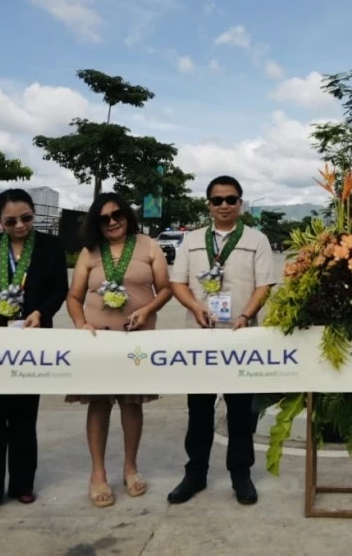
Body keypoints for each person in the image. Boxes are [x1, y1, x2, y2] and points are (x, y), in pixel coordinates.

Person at [167, 176, 278, 506]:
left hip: (240, 339)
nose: (225, 205)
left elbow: (264, 285)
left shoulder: (256, 239)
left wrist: (245, 315)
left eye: (231, 199)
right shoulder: (192, 240)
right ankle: (195, 473)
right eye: (218, 200)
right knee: (198, 409)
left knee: (241, 411)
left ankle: (240, 475)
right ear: (209, 205)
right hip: (200, 337)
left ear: (240, 203)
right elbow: (179, 283)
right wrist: (196, 306)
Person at [0, 188, 69, 515]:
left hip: (31, 338)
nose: (20, 225)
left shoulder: (50, 247)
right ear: (0, 221)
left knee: (24, 416)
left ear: (34, 214)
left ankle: (23, 484)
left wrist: (42, 312)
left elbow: (58, 290)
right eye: (11, 221)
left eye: (26, 218)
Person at [65, 194, 172, 508]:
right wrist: (81, 323)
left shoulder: (148, 245)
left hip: (135, 341)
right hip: (99, 341)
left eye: (117, 215)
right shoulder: (90, 253)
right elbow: (74, 297)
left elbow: (165, 288)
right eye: (104, 218)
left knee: (131, 404)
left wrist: (148, 309)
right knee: (98, 405)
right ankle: (97, 474)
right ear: (96, 223)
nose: (112, 222)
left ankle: (130, 468)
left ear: (128, 215)